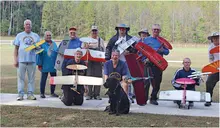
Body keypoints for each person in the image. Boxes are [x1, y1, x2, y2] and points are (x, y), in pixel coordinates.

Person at [105, 24, 136, 102]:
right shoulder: (113, 39)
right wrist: (107, 59)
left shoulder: (131, 39)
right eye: (120, 29)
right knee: (114, 79)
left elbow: (136, 50)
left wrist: (129, 51)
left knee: (127, 79)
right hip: (115, 62)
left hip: (127, 62)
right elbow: (108, 48)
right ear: (118, 30)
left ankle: (128, 96)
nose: (122, 31)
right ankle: (113, 96)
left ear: (126, 30)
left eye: (123, 29)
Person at [143, 24, 170, 105]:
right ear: (152, 30)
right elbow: (142, 50)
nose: (156, 31)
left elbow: (167, 52)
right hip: (148, 63)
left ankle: (153, 98)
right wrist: (144, 59)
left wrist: (162, 50)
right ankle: (144, 99)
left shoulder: (162, 41)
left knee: (157, 82)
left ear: (160, 31)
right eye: (154, 29)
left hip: (158, 64)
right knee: (146, 82)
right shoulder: (146, 40)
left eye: (157, 30)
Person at [13, 19, 40, 100]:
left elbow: (39, 49)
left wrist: (36, 46)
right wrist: (15, 60)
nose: (28, 26)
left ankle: (30, 94)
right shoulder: (19, 35)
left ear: (31, 26)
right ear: (24, 26)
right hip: (21, 61)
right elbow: (16, 49)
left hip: (32, 61)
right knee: (21, 78)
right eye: (26, 24)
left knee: (31, 79)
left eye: (29, 24)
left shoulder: (35, 36)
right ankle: (20, 94)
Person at [82, 25, 105, 100]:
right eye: (93, 31)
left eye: (95, 31)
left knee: (98, 77)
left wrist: (103, 61)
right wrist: (86, 47)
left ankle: (97, 94)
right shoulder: (86, 39)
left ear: (97, 32)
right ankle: (89, 94)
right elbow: (82, 50)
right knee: (89, 76)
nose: (94, 32)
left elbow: (103, 50)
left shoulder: (100, 40)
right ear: (91, 31)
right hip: (89, 61)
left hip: (98, 61)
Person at [36, 31, 59, 98]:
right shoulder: (41, 44)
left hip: (53, 65)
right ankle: (42, 93)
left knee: (53, 79)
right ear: (44, 36)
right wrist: (39, 64)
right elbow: (39, 54)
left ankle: (52, 92)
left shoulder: (54, 43)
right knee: (43, 79)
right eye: (47, 35)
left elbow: (57, 52)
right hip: (44, 64)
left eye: (50, 35)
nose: (49, 36)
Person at [204, 32, 219, 107]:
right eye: (214, 38)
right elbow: (211, 59)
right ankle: (208, 99)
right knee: (209, 82)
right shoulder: (211, 47)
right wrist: (214, 66)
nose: (216, 39)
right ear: (212, 39)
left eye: (217, 38)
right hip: (215, 67)